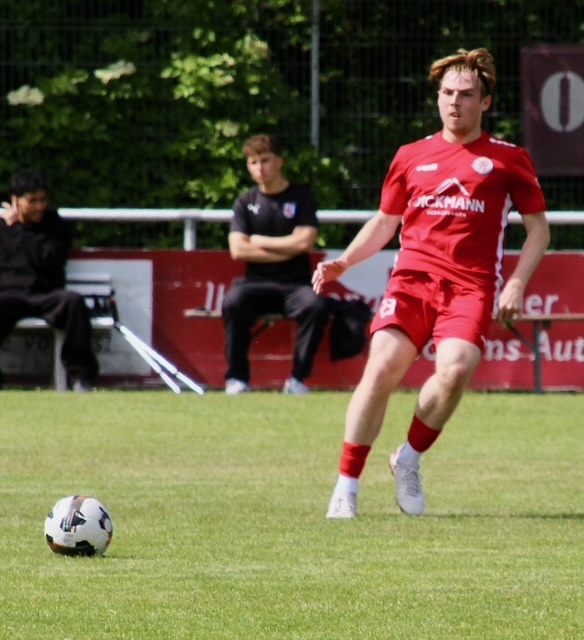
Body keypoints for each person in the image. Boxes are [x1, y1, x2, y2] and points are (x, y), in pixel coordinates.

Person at [312, 48, 550, 518]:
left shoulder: (508, 159)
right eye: (447, 93)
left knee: (455, 371)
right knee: (381, 369)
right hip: (412, 282)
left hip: (471, 288)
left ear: (485, 102)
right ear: (437, 98)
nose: (455, 101)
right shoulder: (410, 156)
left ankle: (408, 458)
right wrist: (345, 261)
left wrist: (517, 283)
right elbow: (385, 222)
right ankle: (346, 486)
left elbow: (539, 230)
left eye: (466, 94)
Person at [222, 133, 329, 395]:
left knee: (316, 306)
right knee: (233, 302)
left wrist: (259, 241)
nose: (260, 168)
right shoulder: (245, 202)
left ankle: (297, 380)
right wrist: (285, 250)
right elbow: (238, 249)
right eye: (253, 162)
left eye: (265, 160)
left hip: (295, 285)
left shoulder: (302, 197)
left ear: (280, 161)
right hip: (257, 284)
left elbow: (304, 242)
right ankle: (237, 379)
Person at [0, 169, 99, 391]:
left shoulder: (57, 227)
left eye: (43, 200)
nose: (40, 206)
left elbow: (47, 261)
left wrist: (17, 229)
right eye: (32, 201)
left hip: (46, 295)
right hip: (9, 296)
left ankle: (81, 379)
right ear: (16, 200)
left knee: (73, 302)